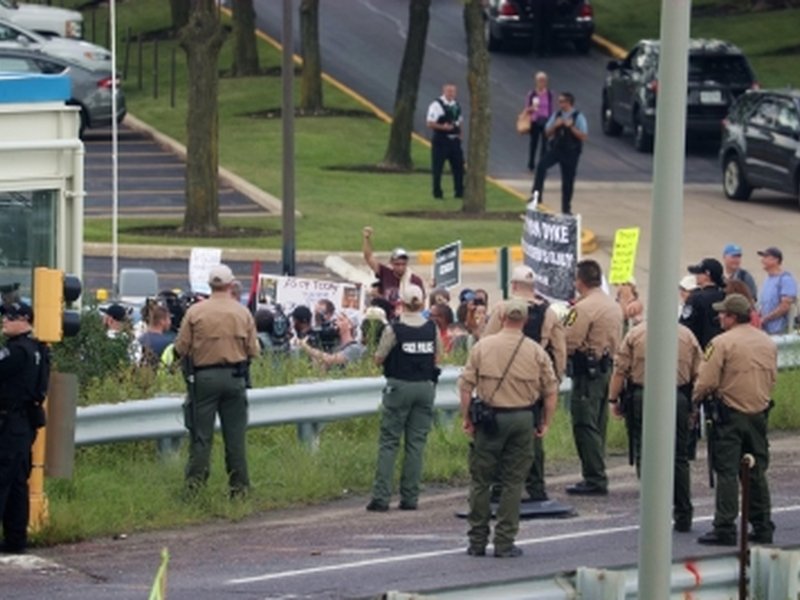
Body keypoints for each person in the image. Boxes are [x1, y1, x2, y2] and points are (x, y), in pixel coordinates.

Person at [459, 299, 559, 558]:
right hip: (522, 419)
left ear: (501, 316)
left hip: (491, 419)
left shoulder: (483, 346)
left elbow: (466, 387)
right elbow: (550, 391)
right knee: (513, 482)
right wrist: (545, 422)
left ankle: (477, 541)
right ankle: (504, 542)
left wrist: (466, 418)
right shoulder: (536, 351)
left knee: (481, 481)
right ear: (525, 321)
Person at [693, 294, 778, 546]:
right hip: (759, 413)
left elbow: (706, 381)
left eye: (722, 313)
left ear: (731, 316)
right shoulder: (767, 342)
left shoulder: (720, 343)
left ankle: (725, 526)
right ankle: (762, 525)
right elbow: (772, 378)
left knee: (728, 471)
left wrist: (695, 401)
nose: (719, 317)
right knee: (756, 470)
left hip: (729, 414)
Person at [174, 264, 260, 498]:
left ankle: (195, 489)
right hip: (235, 377)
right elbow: (254, 350)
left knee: (201, 436)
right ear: (231, 285)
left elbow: (180, 347)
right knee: (235, 437)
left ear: (210, 286)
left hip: (204, 378)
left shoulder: (195, 312)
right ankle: (239, 488)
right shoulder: (242, 313)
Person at [607, 320, 702, 532]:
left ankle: (652, 514)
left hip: (643, 395)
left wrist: (613, 400)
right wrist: (694, 406)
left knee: (645, 452)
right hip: (678, 395)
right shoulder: (687, 335)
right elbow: (699, 373)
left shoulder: (635, 334)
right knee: (679, 456)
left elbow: (620, 370)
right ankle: (683, 513)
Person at [483, 265, 566, 502]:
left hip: (503, 380)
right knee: (535, 433)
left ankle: (500, 489)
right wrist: (555, 379)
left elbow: (486, 343)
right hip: (535, 381)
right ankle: (536, 487)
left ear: (513, 286)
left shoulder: (502, 309)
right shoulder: (549, 312)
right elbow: (559, 350)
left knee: (500, 434)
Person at [367, 284, 440, 512]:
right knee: (416, 444)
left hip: (399, 386)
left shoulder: (394, 329)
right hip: (425, 387)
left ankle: (381, 497)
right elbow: (437, 357)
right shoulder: (431, 327)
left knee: (389, 442)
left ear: (402, 302)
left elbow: (379, 358)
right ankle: (410, 497)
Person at [564, 259, 622, 495]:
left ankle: (594, 477)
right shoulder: (613, 306)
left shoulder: (583, 308)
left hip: (587, 372)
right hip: (607, 368)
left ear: (580, 281)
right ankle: (597, 471)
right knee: (599, 423)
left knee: (584, 423)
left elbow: (569, 341)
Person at [0, 302, 47, 554]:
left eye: (10, 317)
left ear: (25, 320)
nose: (5, 321)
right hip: (24, 424)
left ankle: (15, 537)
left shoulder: (16, 351)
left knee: (4, 480)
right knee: (18, 482)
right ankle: (16, 539)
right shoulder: (38, 349)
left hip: (9, 423)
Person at [531, 92, 588, 215]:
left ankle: (566, 208)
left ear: (568, 103)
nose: (560, 104)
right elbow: (546, 133)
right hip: (557, 149)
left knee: (568, 180)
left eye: (562, 101)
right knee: (541, 166)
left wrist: (571, 127)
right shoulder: (557, 115)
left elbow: (583, 136)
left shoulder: (578, 117)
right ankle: (536, 195)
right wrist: (555, 126)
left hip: (571, 152)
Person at [362, 226, 425, 304]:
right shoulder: (385, 273)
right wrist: (367, 238)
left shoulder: (415, 281)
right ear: (391, 263)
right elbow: (368, 257)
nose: (400, 267)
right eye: (397, 264)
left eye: (403, 264)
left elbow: (421, 304)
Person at [426, 83, 464, 200]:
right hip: (441, 141)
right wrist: (444, 127)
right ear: (444, 91)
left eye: (453, 91)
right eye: (449, 91)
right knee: (438, 167)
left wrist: (460, 134)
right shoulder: (436, 105)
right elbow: (430, 123)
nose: (451, 94)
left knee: (459, 167)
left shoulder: (456, 105)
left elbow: (459, 120)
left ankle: (459, 191)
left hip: (454, 141)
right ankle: (437, 192)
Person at [680, 258, 726, 349]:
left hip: (699, 348)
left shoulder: (695, 298)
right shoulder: (726, 296)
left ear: (707, 275)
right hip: (722, 346)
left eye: (699, 273)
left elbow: (685, 326)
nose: (696, 276)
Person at [300, 312, 365, 370]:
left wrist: (307, 348)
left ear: (350, 325)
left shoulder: (355, 348)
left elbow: (330, 359)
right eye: (335, 320)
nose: (336, 323)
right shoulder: (336, 348)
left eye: (341, 320)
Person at [757, 246, 797, 335]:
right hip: (765, 329)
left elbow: (785, 306)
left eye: (765, 257)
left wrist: (765, 318)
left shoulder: (785, 279)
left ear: (775, 260)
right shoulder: (767, 279)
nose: (762, 261)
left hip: (779, 331)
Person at [524, 71, 554, 171]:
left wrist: (551, 121)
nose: (541, 82)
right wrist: (532, 108)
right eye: (539, 80)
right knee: (534, 143)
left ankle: (542, 165)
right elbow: (526, 109)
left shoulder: (549, 94)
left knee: (545, 145)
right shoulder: (532, 94)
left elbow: (551, 108)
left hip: (545, 121)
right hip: (535, 121)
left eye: (543, 80)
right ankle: (531, 165)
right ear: (536, 81)